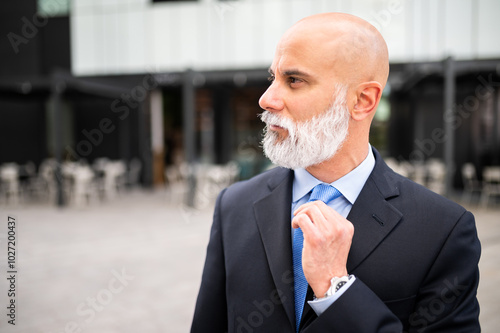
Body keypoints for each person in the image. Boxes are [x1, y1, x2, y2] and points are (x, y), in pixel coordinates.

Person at [191, 12, 481, 333]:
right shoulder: (234, 204)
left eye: (294, 80)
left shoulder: (443, 230)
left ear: (362, 100)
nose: (267, 98)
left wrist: (336, 288)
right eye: (273, 77)